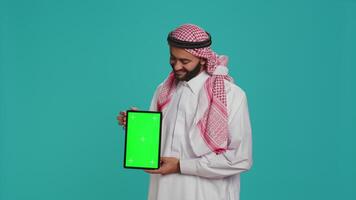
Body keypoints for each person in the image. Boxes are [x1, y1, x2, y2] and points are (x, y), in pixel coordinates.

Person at [117, 24, 253, 200]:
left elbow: (240, 159)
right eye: (173, 59)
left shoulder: (231, 95)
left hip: (208, 193)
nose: (177, 66)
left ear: (203, 59)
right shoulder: (163, 91)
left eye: (185, 61)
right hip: (163, 192)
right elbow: (157, 146)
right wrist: (139, 126)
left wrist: (181, 166)